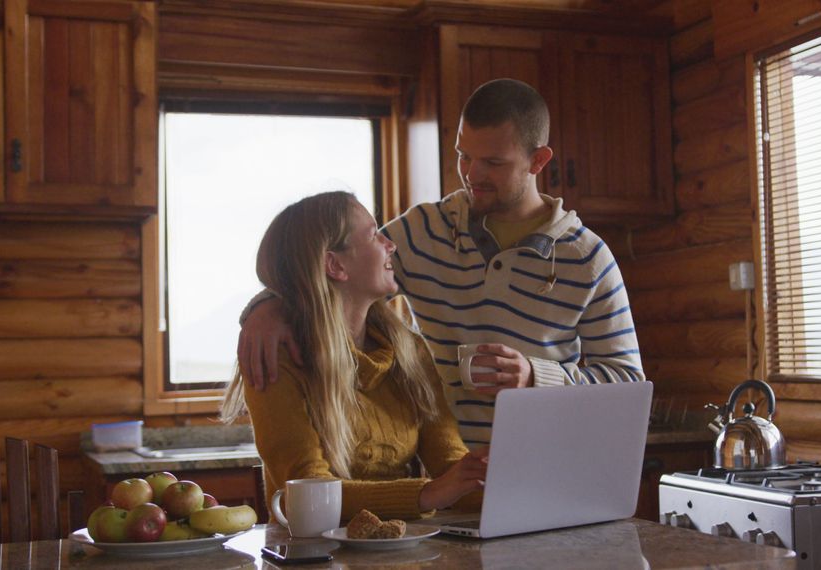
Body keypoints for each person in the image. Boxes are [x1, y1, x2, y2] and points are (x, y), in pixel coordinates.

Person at [239, 78, 644, 446]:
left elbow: (628, 384)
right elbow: (330, 265)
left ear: (538, 161)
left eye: (493, 162)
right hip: (442, 478)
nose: (472, 174)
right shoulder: (421, 231)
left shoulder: (588, 258)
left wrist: (537, 377)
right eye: (463, 156)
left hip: (544, 467)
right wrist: (267, 306)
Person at [220, 191, 486, 521]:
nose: (391, 244)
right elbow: (306, 492)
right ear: (335, 264)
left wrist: (500, 486)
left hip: (408, 550)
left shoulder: (409, 351)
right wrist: (429, 493)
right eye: (374, 234)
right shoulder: (281, 358)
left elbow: (449, 463)